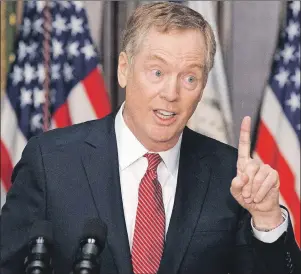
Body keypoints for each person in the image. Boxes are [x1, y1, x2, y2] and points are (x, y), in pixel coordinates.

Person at [1, 2, 300, 274]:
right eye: (157, 72)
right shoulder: (50, 161)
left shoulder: (231, 175)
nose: (171, 94)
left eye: (190, 78)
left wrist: (267, 220)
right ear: (123, 69)